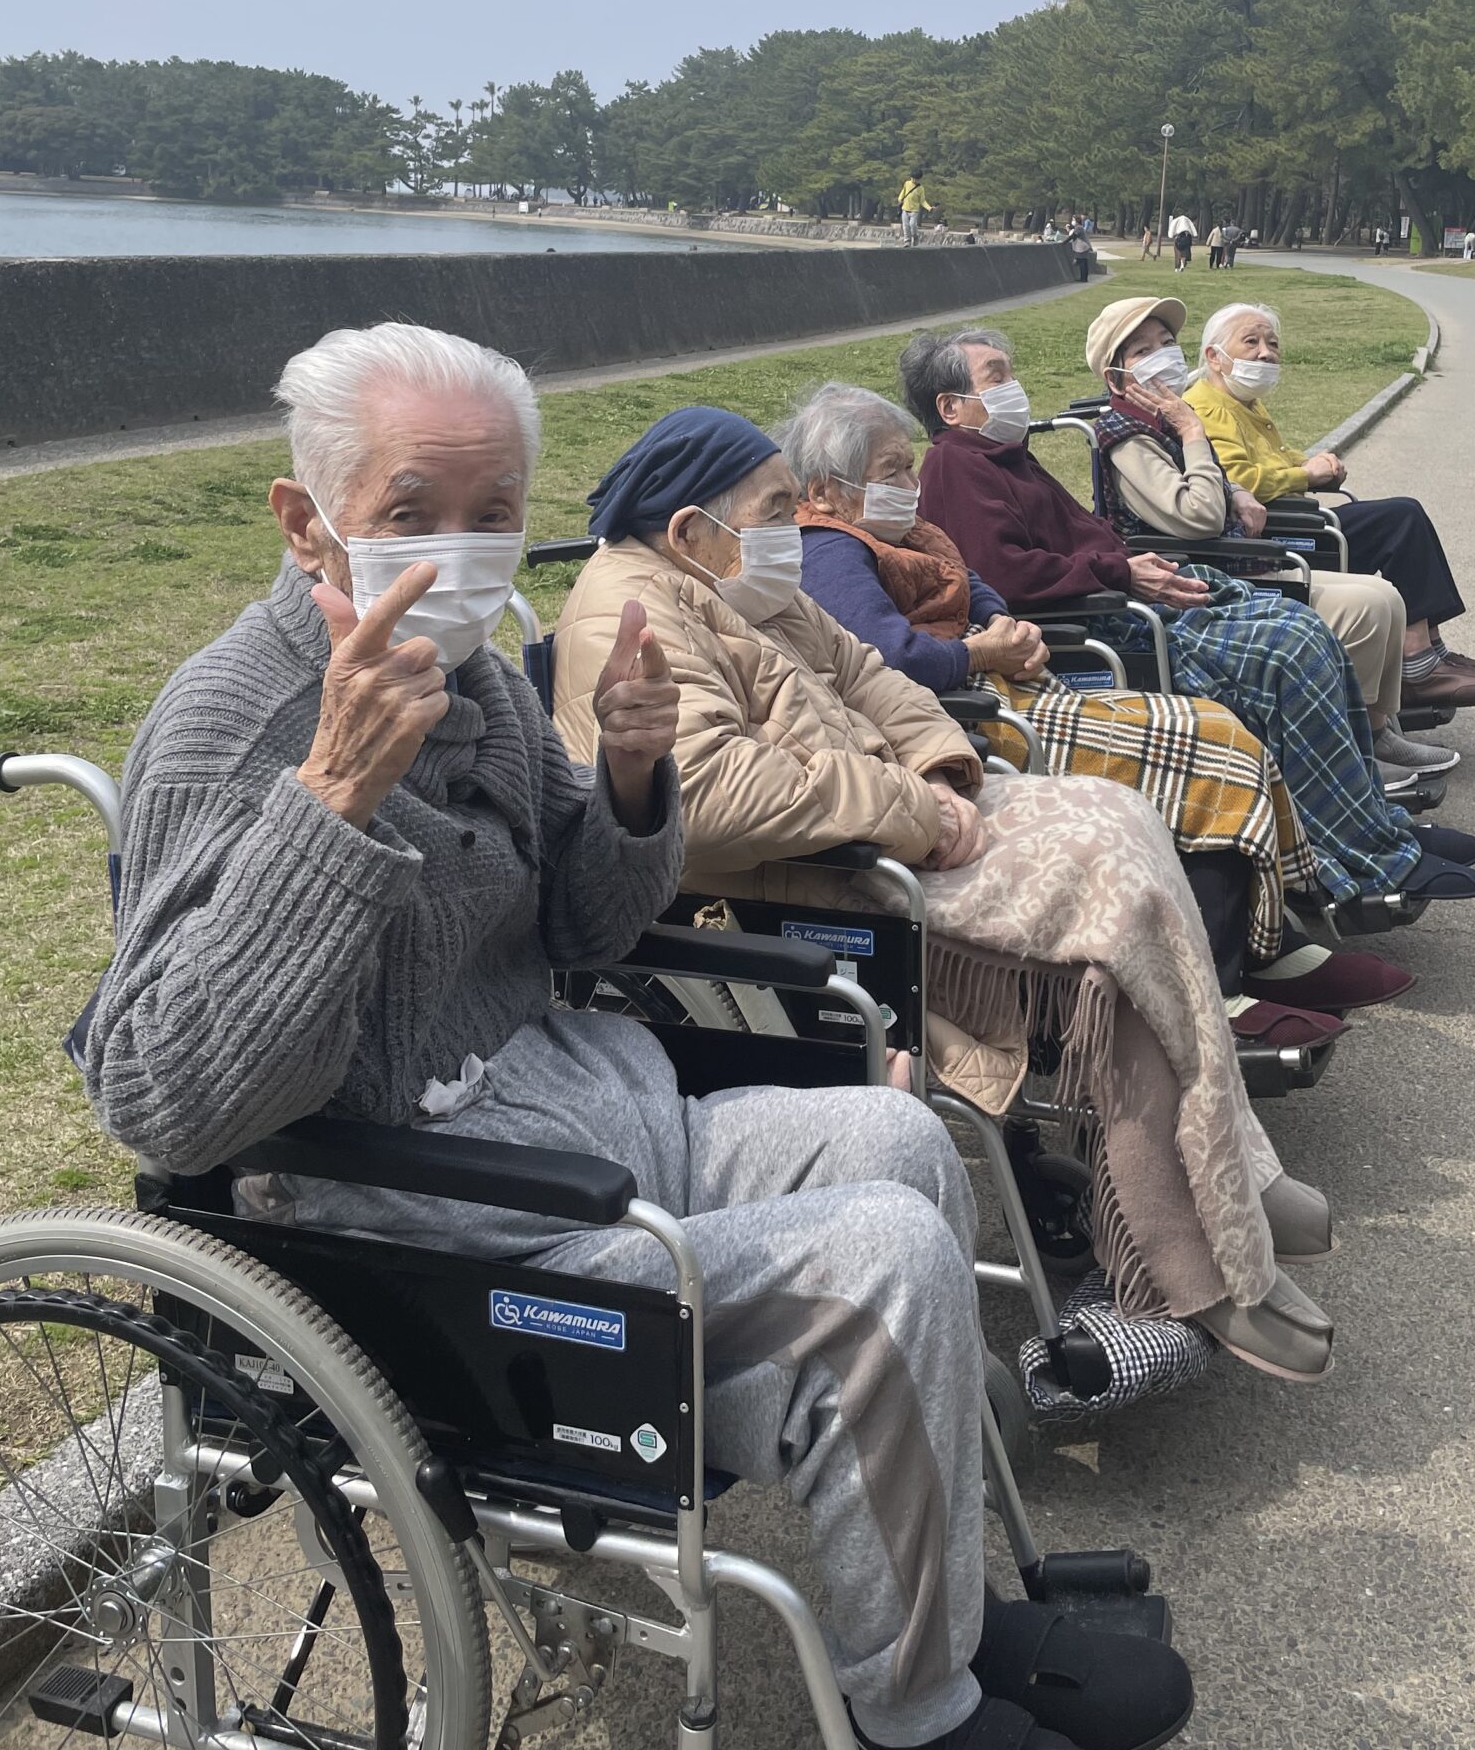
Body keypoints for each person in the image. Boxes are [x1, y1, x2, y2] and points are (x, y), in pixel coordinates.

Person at [80, 324, 1162, 1750]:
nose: (459, 551)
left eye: (492, 515)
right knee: (881, 1262)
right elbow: (162, 1099)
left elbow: (584, 933)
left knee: (904, 1133)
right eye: (411, 514)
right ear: (306, 521)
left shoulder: (473, 679)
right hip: (433, 1224)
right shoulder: (237, 726)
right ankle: (918, 1711)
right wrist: (331, 800)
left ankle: (932, 1607)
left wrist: (637, 781)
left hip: (601, 1132)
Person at [552, 407, 1339, 1401]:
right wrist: (910, 810)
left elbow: (874, 679)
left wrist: (939, 768)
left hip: (893, 838)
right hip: (824, 888)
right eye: (775, 510)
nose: (796, 528)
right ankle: (1179, 1264)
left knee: (1122, 820)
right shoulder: (628, 616)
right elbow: (705, 798)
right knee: (1115, 927)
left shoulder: (739, 582)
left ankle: (1228, 1171)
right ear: (689, 531)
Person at [778, 378, 1414, 1028]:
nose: (910, 482)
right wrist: (983, 653)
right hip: (968, 718)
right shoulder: (828, 550)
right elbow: (891, 659)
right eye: (893, 470)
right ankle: (1217, 984)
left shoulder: (909, 533)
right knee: (1203, 745)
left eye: (908, 465)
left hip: (1006, 681)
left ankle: (1266, 941)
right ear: (825, 489)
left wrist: (1009, 631)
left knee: (1214, 726)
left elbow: (977, 584)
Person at [901, 327, 1475, 913]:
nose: (1016, 388)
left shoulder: (1006, 456)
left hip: (1130, 596)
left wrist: (1127, 564)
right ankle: (1357, 856)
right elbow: (1005, 575)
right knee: (1287, 650)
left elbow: (1082, 539)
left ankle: (1374, 826)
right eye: (997, 378)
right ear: (951, 407)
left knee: (1304, 628)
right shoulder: (956, 465)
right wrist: (1121, 572)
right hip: (1102, 624)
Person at [1078, 296, 1455, 794]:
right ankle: (1351, 756)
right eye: (1143, 351)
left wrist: (1231, 487)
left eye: (1167, 343)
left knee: (1386, 596)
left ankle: (1378, 731)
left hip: (1233, 556)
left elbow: (1216, 486)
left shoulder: (1164, 420)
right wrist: (1196, 438)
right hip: (1199, 575)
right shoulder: (1130, 436)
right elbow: (1199, 516)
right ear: (1118, 378)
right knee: (1366, 605)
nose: (1164, 356)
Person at [1184, 301, 1475, 710]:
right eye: (1250, 342)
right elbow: (1240, 482)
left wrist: (1312, 463)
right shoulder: (1207, 407)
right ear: (1214, 356)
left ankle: (1430, 647)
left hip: (1295, 521)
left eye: (1272, 343)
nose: (1266, 353)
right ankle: (1418, 663)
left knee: (1401, 517)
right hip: (1268, 536)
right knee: (1400, 519)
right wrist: (1308, 475)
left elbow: (1274, 458)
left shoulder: (1245, 403)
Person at [899, 171, 932, 246]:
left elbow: (922, 201)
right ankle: (907, 241)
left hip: (914, 210)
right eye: (912, 178)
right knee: (905, 226)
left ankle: (915, 237)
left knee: (912, 225)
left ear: (919, 179)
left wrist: (929, 208)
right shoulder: (907, 183)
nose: (914, 180)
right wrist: (900, 198)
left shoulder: (920, 188)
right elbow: (903, 192)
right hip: (905, 209)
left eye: (916, 179)